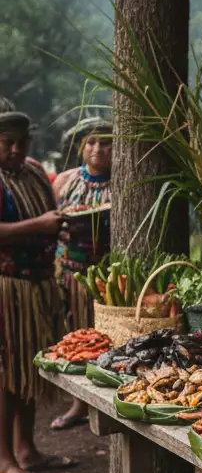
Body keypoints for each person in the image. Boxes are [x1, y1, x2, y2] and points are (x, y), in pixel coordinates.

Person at [0, 100, 74, 473]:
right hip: (6, 290)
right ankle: (3, 460)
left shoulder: (32, 172)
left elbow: (49, 215)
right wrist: (40, 225)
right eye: (6, 143)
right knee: (4, 373)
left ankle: (27, 449)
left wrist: (59, 226)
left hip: (38, 287)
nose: (15, 150)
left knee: (26, 369)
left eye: (21, 143)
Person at [50, 116, 112, 429]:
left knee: (104, 337)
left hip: (108, 277)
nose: (98, 149)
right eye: (91, 142)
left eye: (105, 143)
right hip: (70, 273)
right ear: (81, 147)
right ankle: (78, 403)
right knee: (75, 335)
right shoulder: (65, 181)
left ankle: (102, 402)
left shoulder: (122, 184)